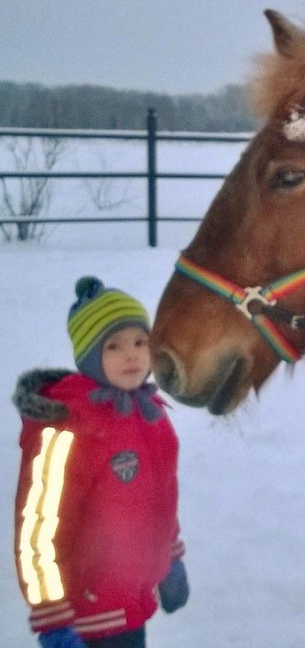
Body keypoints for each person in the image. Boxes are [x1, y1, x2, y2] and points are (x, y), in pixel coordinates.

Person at [12, 277, 189, 648]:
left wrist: (169, 557)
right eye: (114, 346)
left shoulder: (150, 416)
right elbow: (39, 529)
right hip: (84, 618)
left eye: (141, 342)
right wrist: (52, 617)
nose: (132, 355)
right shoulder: (67, 425)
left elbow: (160, 500)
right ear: (90, 356)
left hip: (130, 603)